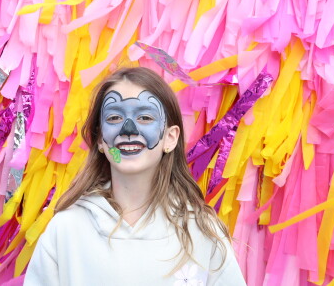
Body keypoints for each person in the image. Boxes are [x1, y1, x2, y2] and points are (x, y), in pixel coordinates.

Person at [24, 67, 246, 285]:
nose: (128, 129)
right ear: (100, 139)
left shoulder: (203, 232)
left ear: (170, 138)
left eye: (145, 117)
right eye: (114, 117)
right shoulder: (66, 229)